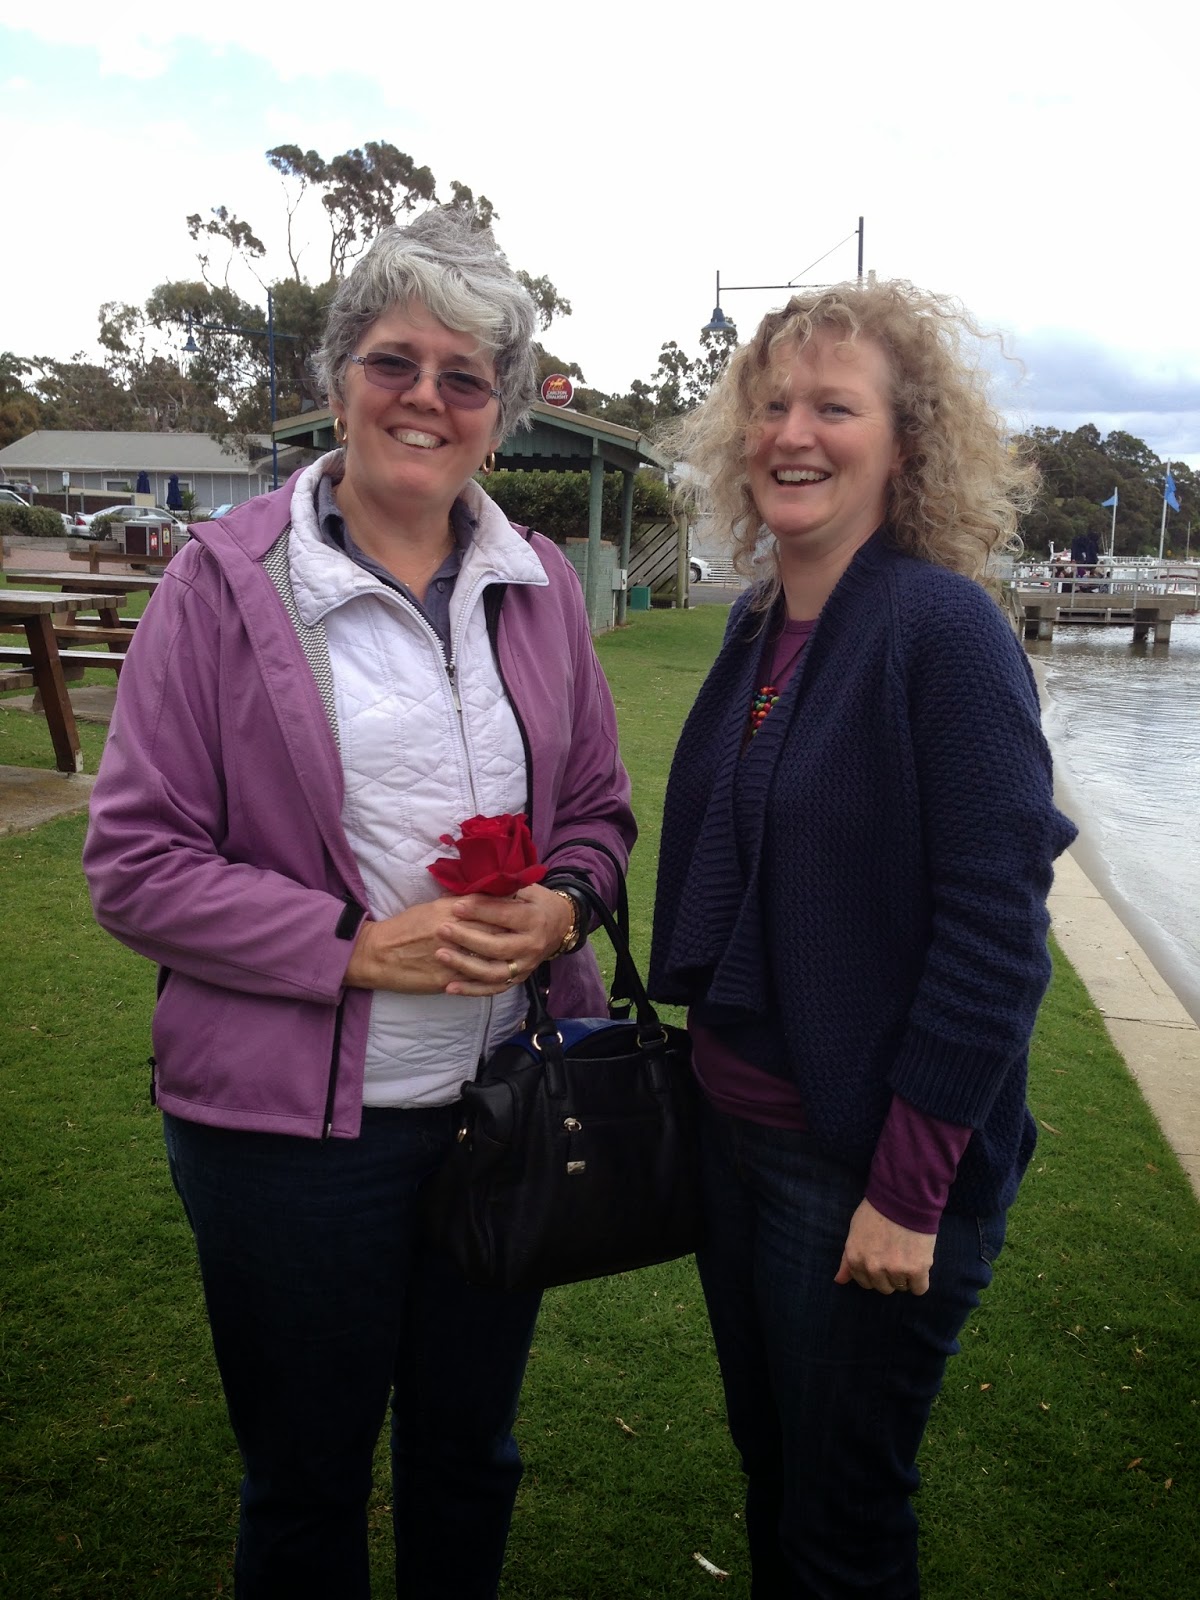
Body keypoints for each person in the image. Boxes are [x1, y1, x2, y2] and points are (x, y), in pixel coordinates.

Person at [83, 207, 635, 1599]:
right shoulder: (221, 585)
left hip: (501, 1112)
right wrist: (352, 947)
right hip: (289, 1144)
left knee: (470, 1459)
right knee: (305, 1483)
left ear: (500, 413)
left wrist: (564, 909)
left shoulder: (539, 586)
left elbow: (599, 813)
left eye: (466, 377)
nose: (426, 399)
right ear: (339, 382)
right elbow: (136, 862)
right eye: (395, 361)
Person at [649, 281, 1076, 1598]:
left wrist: (908, 1189)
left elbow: (996, 934)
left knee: (841, 1525)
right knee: (777, 1476)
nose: (794, 433)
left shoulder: (942, 631)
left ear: (905, 444)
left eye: (834, 407)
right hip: (737, 1145)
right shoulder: (760, 625)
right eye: (773, 404)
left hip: (859, 1171)